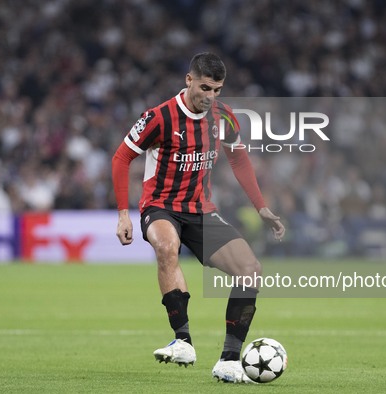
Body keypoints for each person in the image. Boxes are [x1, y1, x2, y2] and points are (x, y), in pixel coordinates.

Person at [111, 52, 285, 383]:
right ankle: (183, 341)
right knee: (167, 246)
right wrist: (123, 214)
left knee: (250, 271)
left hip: (200, 209)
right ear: (189, 80)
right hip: (160, 205)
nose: (211, 96)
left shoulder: (223, 117)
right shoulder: (159, 117)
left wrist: (260, 206)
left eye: (218, 89)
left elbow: (239, 159)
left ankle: (230, 361)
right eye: (206, 87)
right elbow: (122, 158)